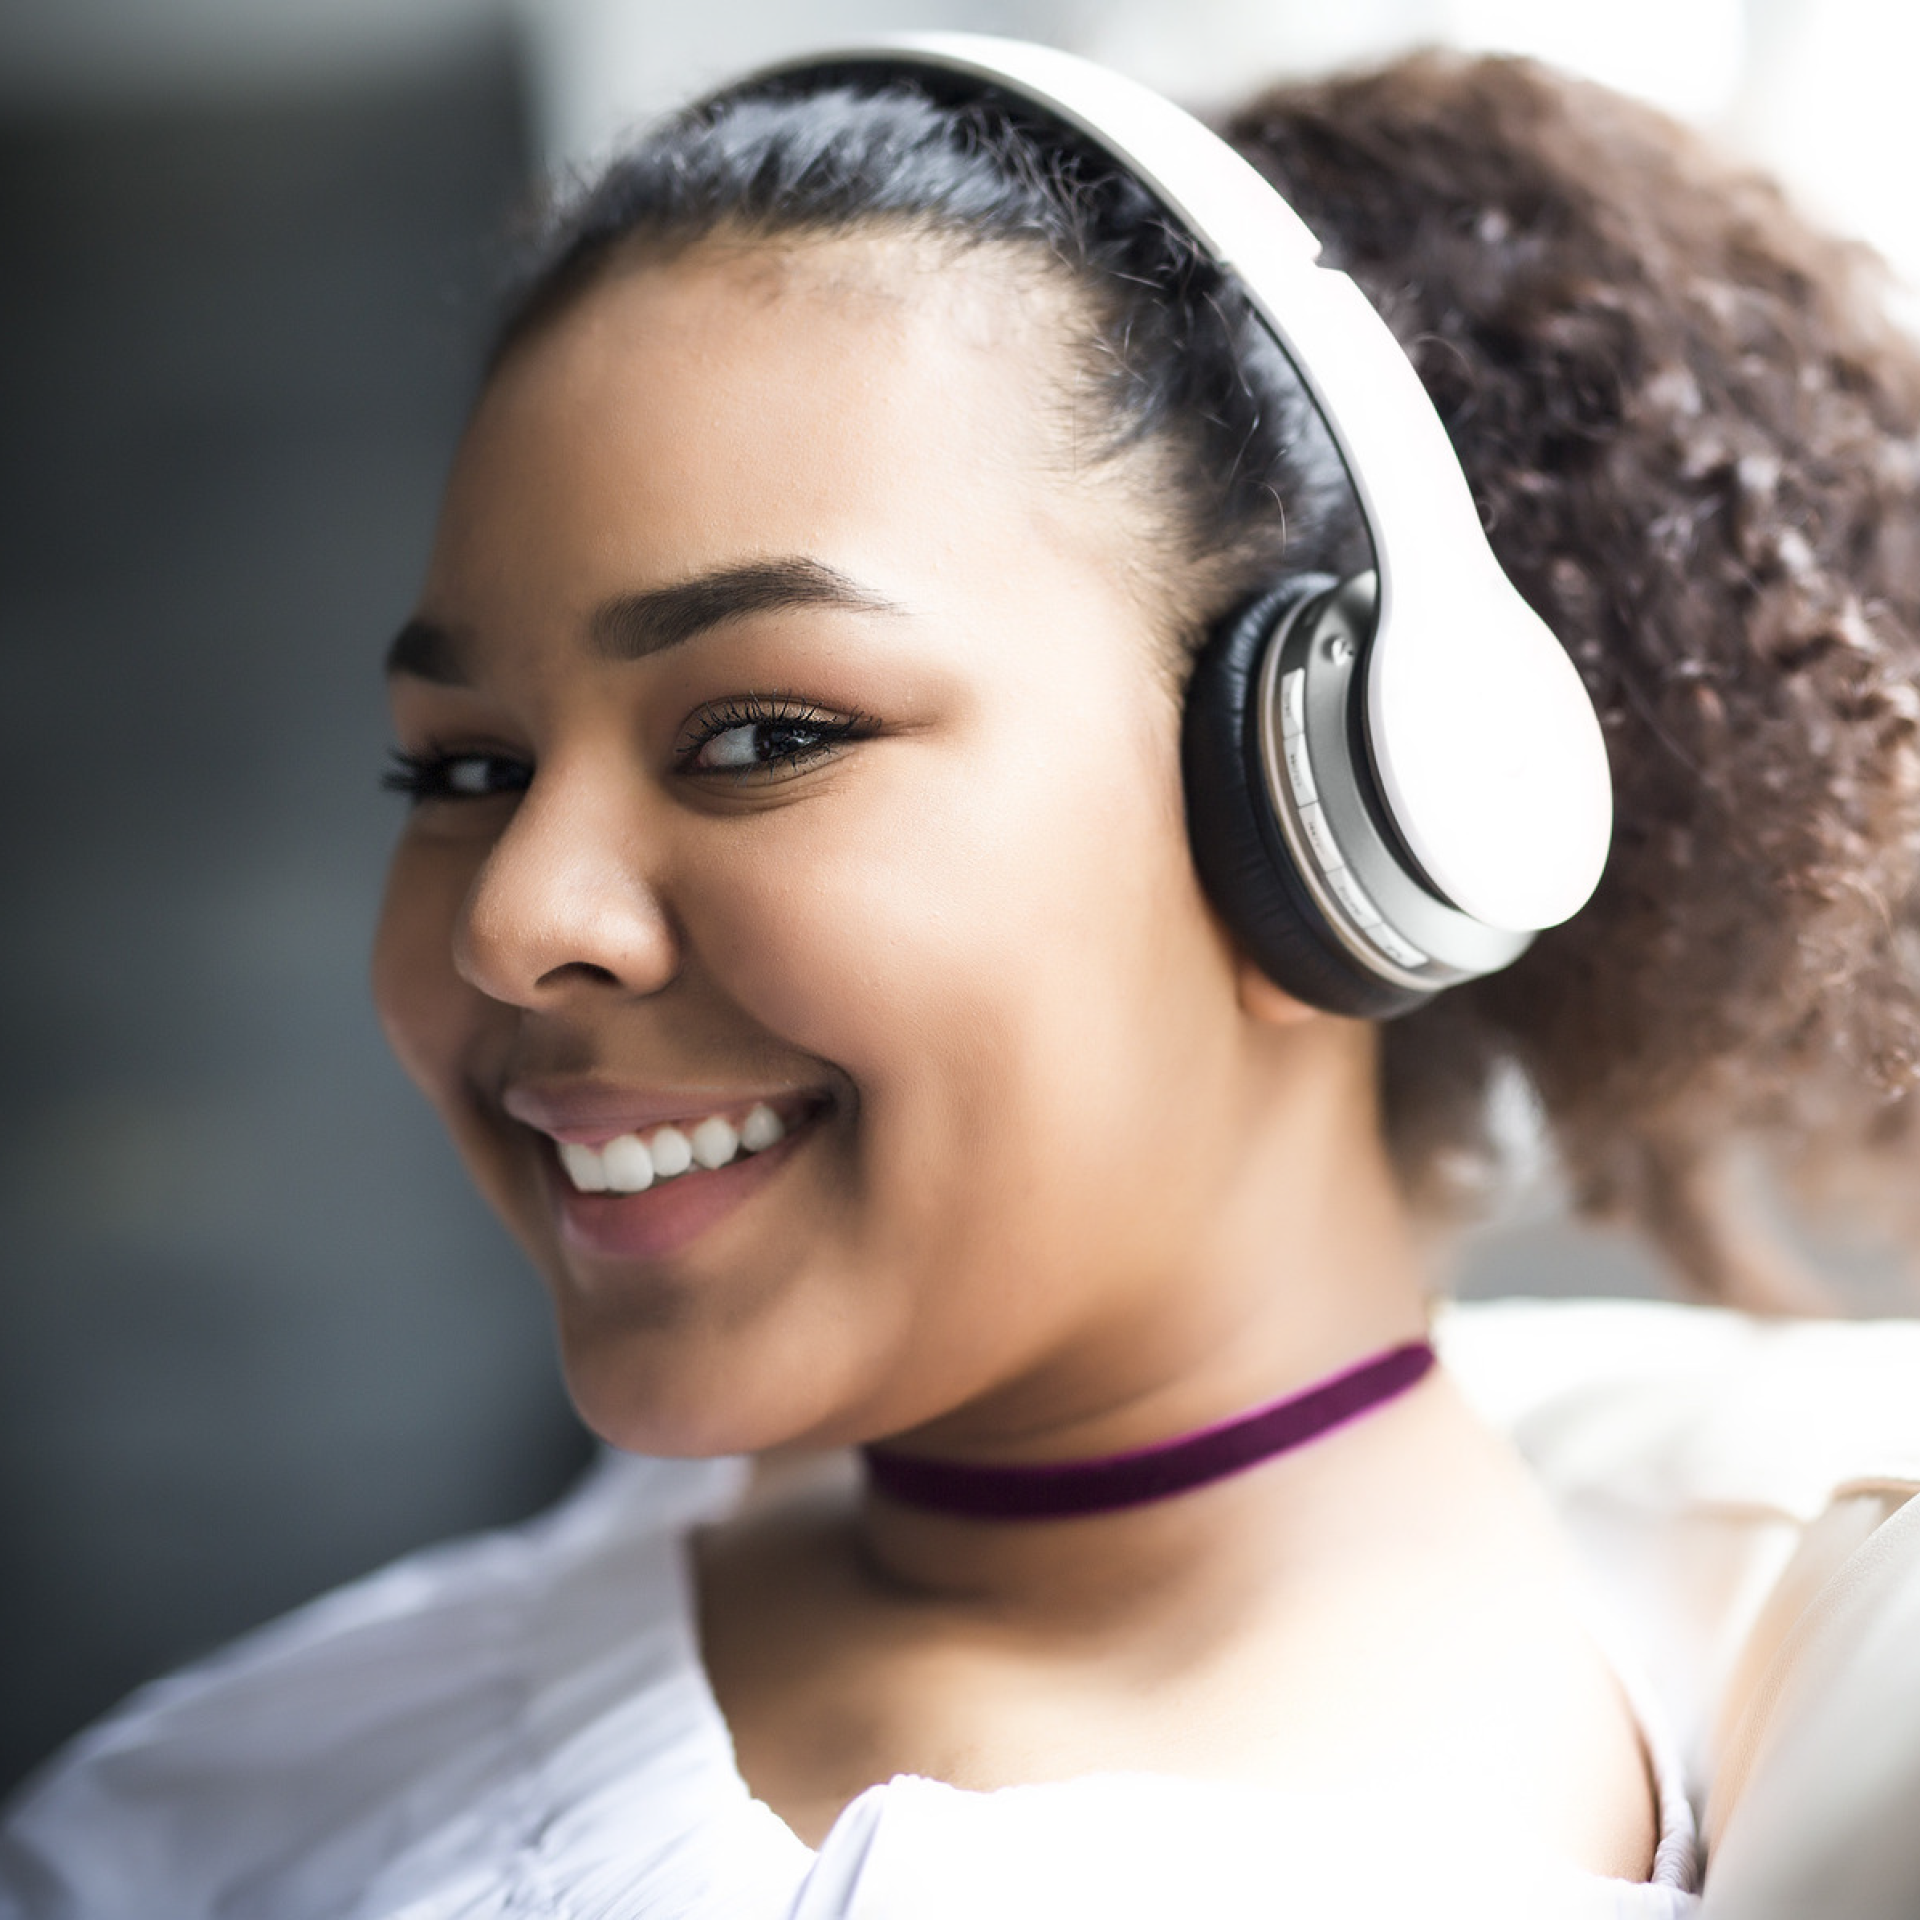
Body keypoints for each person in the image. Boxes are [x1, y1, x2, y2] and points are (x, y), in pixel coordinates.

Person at [5, 35, 1919, 1920]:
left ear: (1339, 822)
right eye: (464, 769)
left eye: (761, 734)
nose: (514, 914)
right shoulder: (545, 1637)